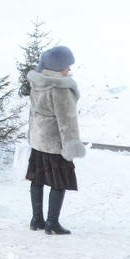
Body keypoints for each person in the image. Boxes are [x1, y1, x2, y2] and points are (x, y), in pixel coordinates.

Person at [26, 45, 85, 235]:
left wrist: (31, 134)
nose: (69, 69)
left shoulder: (37, 83)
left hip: (38, 140)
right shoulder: (61, 88)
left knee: (37, 179)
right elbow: (67, 121)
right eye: (67, 65)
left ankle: (36, 219)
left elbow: (32, 112)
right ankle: (52, 223)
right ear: (58, 67)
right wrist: (71, 145)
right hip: (55, 143)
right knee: (59, 182)